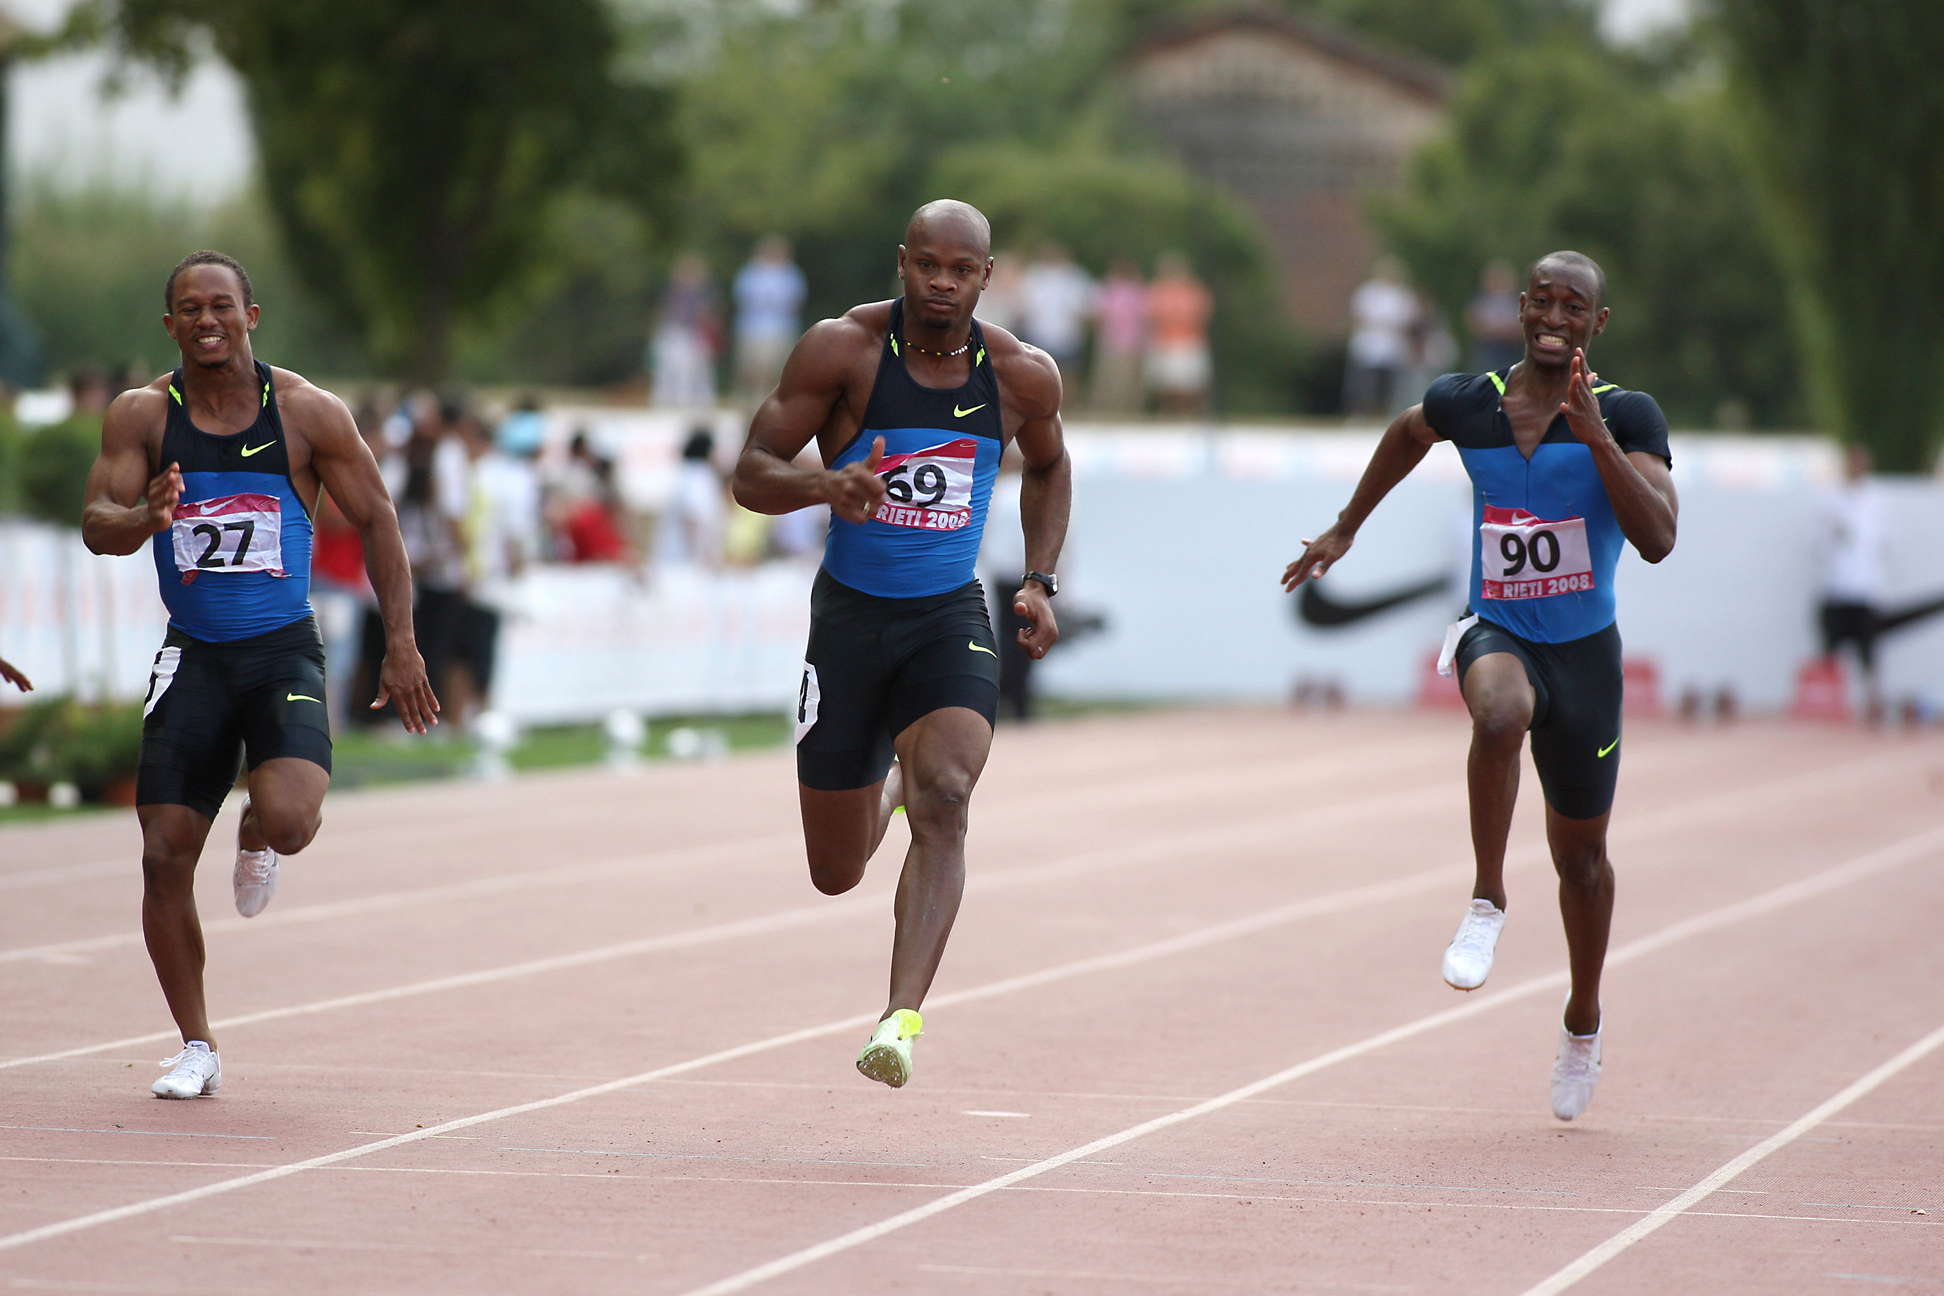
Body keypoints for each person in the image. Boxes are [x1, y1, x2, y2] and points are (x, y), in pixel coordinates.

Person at [1282, 251, 1676, 1121]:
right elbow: (1407, 432)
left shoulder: (1627, 414)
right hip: (1496, 628)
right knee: (1499, 713)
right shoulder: (1472, 402)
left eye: (1574, 307)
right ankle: (1488, 897)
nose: (1555, 318)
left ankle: (1582, 1019)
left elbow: (1657, 539)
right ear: (1521, 308)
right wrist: (1345, 527)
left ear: (1597, 323)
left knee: (1583, 862)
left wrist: (1596, 436)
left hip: (1585, 656)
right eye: (1543, 301)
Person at [80, 250, 439, 1100]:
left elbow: (378, 520)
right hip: (194, 654)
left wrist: (401, 642)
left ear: (251, 316)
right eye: (189, 309)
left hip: (281, 651)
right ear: (169, 325)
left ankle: (254, 832)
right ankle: (195, 1044)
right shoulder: (142, 416)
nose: (207, 321)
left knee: (289, 821)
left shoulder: (308, 413)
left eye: (221, 306)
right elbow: (97, 524)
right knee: (162, 854)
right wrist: (144, 518)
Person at [731, 199, 1071, 1089]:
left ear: (986, 277)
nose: (941, 283)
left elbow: (1049, 465)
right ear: (902, 262)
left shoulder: (1021, 374)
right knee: (836, 871)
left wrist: (1039, 579)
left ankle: (900, 1019)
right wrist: (823, 485)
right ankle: (886, 783)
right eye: (927, 265)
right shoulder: (840, 350)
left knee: (948, 794)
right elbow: (750, 474)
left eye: (960, 270)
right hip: (849, 621)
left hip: (946, 617)